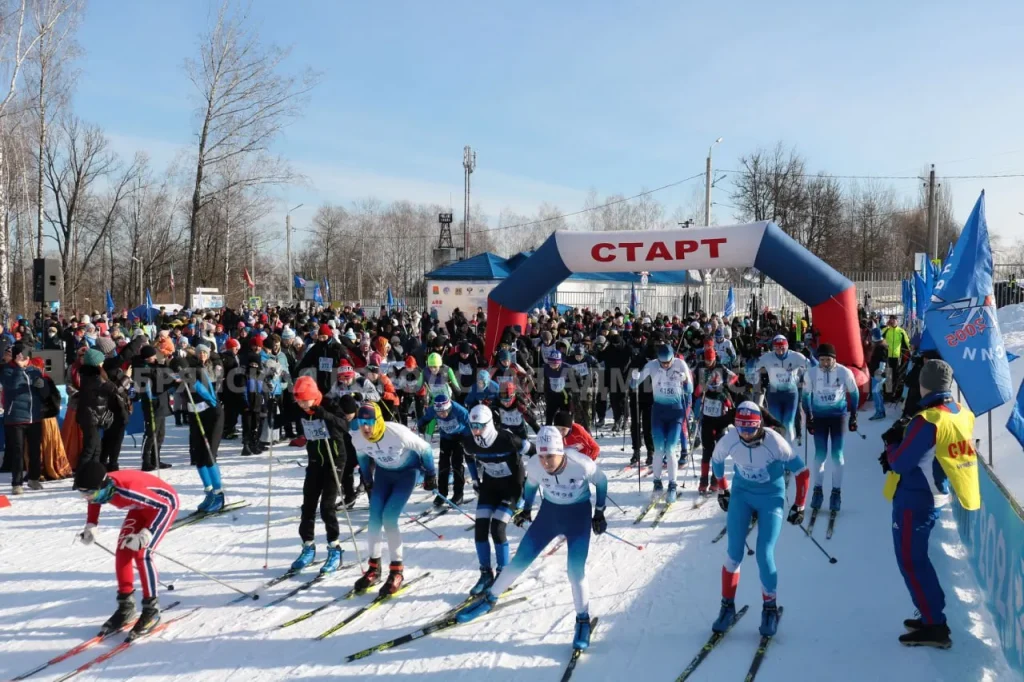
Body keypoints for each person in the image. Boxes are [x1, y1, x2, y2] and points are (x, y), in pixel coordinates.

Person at [457, 425, 608, 652]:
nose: (545, 462)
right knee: (521, 559)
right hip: (550, 515)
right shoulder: (536, 464)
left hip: (578, 517)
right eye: (542, 456)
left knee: (575, 571)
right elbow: (530, 486)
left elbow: (602, 482)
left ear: (561, 452)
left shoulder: (581, 464)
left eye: (550, 456)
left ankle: (582, 620)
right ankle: (490, 598)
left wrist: (599, 512)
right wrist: (526, 509)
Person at [881, 359, 979, 648]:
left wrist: (891, 444)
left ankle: (935, 624)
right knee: (917, 558)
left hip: (916, 497)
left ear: (924, 384)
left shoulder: (928, 420)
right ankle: (930, 615)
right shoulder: (960, 411)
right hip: (934, 491)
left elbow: (900, 462)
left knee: (911, 561)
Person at [711, 402, 809, 637]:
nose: (745, 434)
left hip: (770, 498)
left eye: (750, 429)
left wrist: (799, 505)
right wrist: (723, 489)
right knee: (733, 553)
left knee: (764, 553)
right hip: (742, 495)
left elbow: (802, 472)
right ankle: (726, 607)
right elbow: (717, 460)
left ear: (760, 425)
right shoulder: (730, 439)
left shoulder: (775, 442)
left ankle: (769, 609)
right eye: (741, 428)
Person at [73, 461, 180, 637]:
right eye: (82, 493)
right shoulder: (101, 489)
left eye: (89, 493)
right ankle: (126, 607)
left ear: (102, 486)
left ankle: (152, 609)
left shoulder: (128, 490)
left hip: (163, 506)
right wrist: (91, 525)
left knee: (142, 553)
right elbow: (94, 500)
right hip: (140, 507)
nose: (86, 497)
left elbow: (164, 507)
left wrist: (146, 534)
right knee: (123, 551)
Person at [350, 402, 436, 595]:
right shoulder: (358, 438)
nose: (365, 428)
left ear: (378, 421)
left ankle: (397, 571)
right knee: (374, 519)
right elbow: (362, 458)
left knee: (389, 518)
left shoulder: (397, 433)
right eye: (361, 423)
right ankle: (374, 568)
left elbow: (426, 449)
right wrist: (368, 480)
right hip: (384, 475)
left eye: (369, 422)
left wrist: (431, 474)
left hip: (407, 474)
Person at [460, 404, 533, 596]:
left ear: (490, 424)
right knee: (480, 528)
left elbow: (533, 451)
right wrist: (475, 480)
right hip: (490, 487)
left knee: (497, 528)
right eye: (473, 426)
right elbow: (468, 457)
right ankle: (486, 574)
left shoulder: (507, 438)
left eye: (480, 426)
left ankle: (503, 574)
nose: (476, 431)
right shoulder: (469, 441)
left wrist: (533, 479)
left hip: (512, 487)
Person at [289, 376, 347, 576]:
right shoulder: (301, 409)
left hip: (334, 460)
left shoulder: (330, 404)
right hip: (315, 461)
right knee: (308, 506)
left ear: (314, 396)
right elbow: (285, 418)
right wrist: (270, 413)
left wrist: (325, 415)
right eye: (299, 401)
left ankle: (335, 548)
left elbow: (345, 425)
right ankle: (308, 546)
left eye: (305, 401)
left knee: (327, 507)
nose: (302, 405)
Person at [800, 343, 859, 514]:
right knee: (820, 455)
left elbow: (854, 393)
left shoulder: (844, 372)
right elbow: (805, 396)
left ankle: (836, 492)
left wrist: (853, 415)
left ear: (834, 359)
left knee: (837, 455)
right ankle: (817, 490)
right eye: (822, 360)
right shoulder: (811, 373)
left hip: (838, 417)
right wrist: (809, 417)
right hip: (819, 418)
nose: (825, 363)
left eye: (828, 360)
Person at [630, 344, 693, 503]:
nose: (665, 365)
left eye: (668, 362)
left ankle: (672, 485)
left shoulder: (680, 364)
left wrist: (685, 380)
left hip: (675, 412)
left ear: (673, 358)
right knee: (658, 449)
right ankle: (657, 483)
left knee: (670, 449)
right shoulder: (652, 365)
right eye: (662, 362)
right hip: (658, 412)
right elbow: (633, 384)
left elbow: (690, 390)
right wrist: (635, 378)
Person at [1, 343, 45, 493]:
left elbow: (44, 393)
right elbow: (11, 386)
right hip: (15, 418)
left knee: (35, 451)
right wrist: (19, 369)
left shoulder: (34, 370)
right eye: (21, 357)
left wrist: (42, 386)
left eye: (26, 357)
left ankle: (34, 479)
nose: (24, 360)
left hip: (34, 417)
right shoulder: (7, 370)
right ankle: (17, 483)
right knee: (18, 451)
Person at [417, 394, 471, 506]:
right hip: (445, 437)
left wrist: (467, 440)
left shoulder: (459, 411)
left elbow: (470, 425)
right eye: (439, 413)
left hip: (459, 437)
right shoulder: (433, 410)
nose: (441, 415)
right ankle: (442, 494)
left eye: (443, 412)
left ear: (449, 408)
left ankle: (458, 494)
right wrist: (421, 424)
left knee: (457, 465)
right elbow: (426, 417)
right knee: (443, 465)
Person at [754, 335, 809, 443]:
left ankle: (790, 448)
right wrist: (753, 358)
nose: (780, 351)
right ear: (773, 348)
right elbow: (751, 369)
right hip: (774, 395)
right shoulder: (767, 357)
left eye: (783, 348)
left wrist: (810, 357)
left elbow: (815, 367)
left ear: (787, 346)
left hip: (790, 394)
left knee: (788, 424)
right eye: (777, 348)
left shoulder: (796, 356)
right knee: (776, 424)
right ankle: (778, 447)